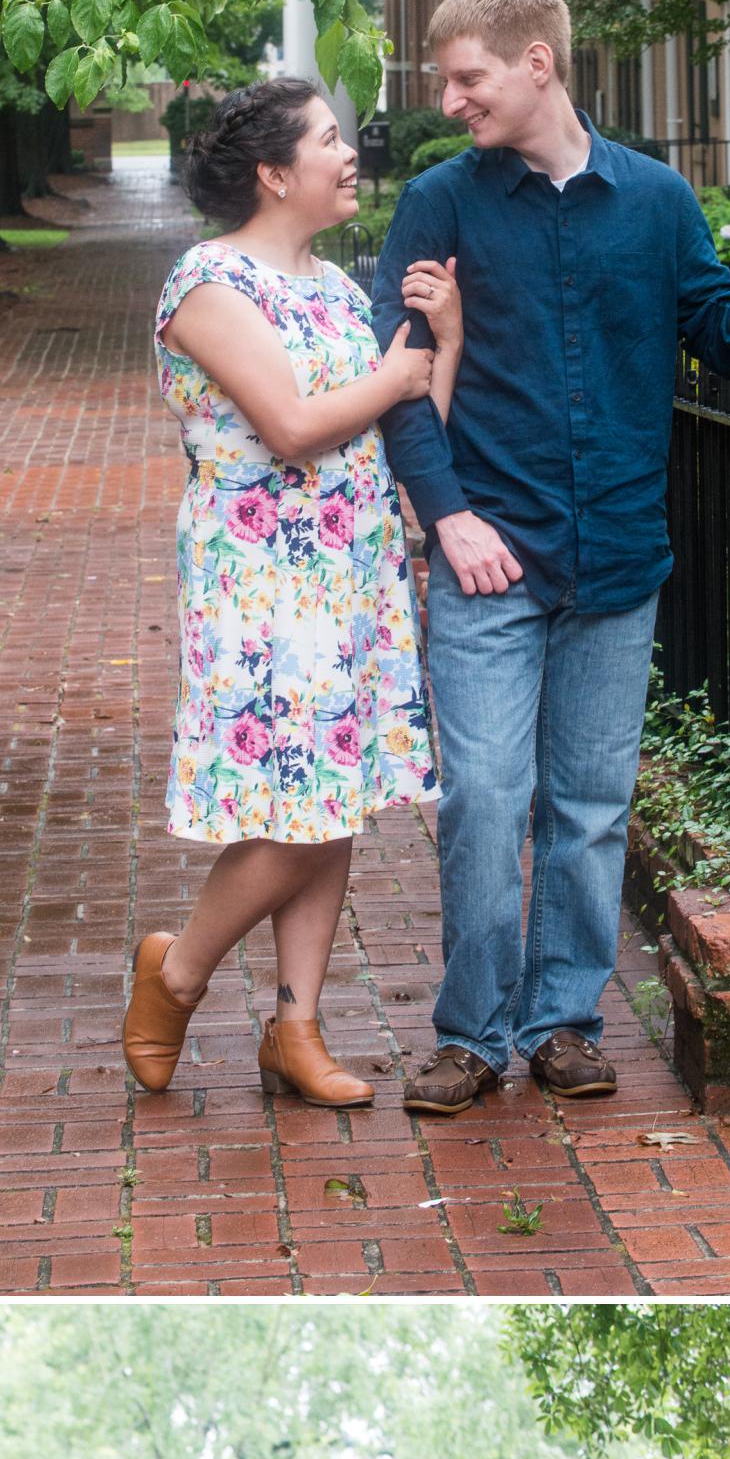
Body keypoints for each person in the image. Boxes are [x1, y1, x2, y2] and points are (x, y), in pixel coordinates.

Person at [372, 0, 730, 1117]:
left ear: (535, 63)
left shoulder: (653, 201)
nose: (450, 99)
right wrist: (446, 516)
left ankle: (563, 1024)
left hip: (617, 560)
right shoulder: (440, 204)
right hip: (489, 556)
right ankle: (470, 1035)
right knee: (485, 800)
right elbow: (396, 381)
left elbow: (725, 345)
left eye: (467, 76)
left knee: (588, 809)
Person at [124, 73, 453, 1118]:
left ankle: (295, 1028)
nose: (348, 153)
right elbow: (295, 425)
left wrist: (438, 345)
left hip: (352, 566)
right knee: (293, 800)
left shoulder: (334, 287)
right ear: (273, 172)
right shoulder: (207, 282)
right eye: (325, 140)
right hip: (261, 578)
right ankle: (175, 971)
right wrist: (399, 376)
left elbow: (401, 422)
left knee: (333, 795)